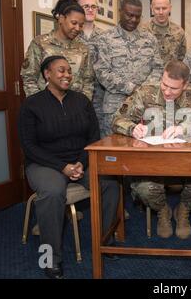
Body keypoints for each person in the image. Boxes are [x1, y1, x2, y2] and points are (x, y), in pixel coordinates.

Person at [18, 56, 120, 279]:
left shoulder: (82, 101)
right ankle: (49, 258)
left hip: (78, 161)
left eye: (69, 71)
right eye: (60, 71)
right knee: (53, 192)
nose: (67, 75)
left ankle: (104, 240)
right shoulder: (32, 105)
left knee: (110, 183)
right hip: (44, 163)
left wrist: (80, 164)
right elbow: (29, 146)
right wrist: (62, 166)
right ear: (47, 74)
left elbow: (94, 138)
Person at [112, 60, 191, 239]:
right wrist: (132, 128)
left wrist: (184, 129)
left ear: (185, 85)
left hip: (189, 163)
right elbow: (117, 119)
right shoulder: (146, 92)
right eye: (164, 84)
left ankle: (183, 209)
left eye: (174, 88)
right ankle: (162, 210)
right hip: (153, 162)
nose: (167, 91)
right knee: (144, 188)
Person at [91, 0, 163, 137]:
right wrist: (131, 88)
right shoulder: (105, 39)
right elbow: (102, 72)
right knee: (112, 152)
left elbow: (158, 68)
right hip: (115, 108)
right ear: (120, 11)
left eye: (137, 16)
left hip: (145, 107)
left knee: (144, 150)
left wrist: (144, 90)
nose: (133, 20)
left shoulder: (149, 39)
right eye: (129, 15)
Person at [20, 0, 93, 100]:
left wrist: (82, 104)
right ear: (62, 19)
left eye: (81, 25)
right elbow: (29, 78)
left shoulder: (83, 49)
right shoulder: (40, 44)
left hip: (75, 108)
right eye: (74, 23)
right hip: (47, 107)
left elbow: (88, 81)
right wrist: (40, 106)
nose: (77, 28)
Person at [76, 0, 106, 137]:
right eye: (86, 6)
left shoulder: (106, 36)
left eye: (93, 6)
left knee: (98, 136)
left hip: (100, 97)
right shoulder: (72, 33)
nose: (90, 9)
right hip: (76, 95)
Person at [140, 0, 186, 64]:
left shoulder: (179, 32)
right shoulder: (142, 30)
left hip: (171, 74)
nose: (161, 12)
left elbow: (182, 59)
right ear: (152, 8)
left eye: (164, 8)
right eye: (157, 8)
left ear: (170, 8)